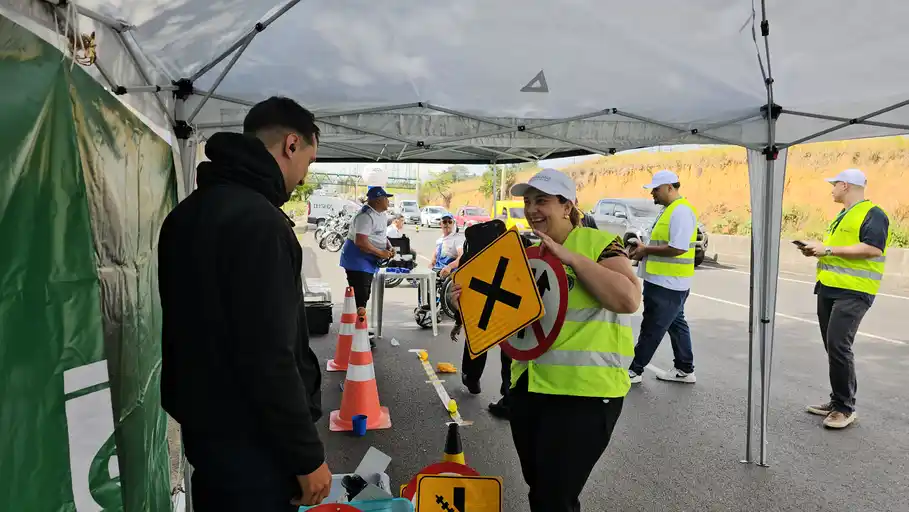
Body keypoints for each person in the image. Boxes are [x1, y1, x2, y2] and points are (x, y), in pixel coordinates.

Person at [158, 97, 331, 510]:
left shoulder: (185, 215)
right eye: (308, 162)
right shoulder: (261, 222)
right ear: (291, 144)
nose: (303, 177)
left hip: (208, 435)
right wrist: (306, 456)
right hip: (256, 446)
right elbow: (269, 353)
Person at [452, 168, 640, 512]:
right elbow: (499, 315)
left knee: (554, 497)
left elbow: (627, 300)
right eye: (527, 202)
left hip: (584, 394)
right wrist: (461, 301)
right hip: (529, 387)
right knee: (540, 488)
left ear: (567, 206)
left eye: (542, 201)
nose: (532, 209)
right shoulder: (528, 254)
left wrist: (571, 259)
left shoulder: (600, 244)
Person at [798, 168, 890, 429]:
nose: (832, 189)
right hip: (829, 288)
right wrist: (817, 251)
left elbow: (873, 248)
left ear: (845, 185)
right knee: (833, 346)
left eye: (834, 184)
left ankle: (845, 408)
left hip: (854, 290)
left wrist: (827, 249)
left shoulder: (873, 213)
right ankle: (839, 399)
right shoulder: (843, 215)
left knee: (839, 345)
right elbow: (838, 251)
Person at [627, 169, 698, 384]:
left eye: (656, 189)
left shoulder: (680, 211)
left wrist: (645, 250)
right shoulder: (670, 210)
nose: (652, 193)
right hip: (667, 282)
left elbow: (678, 248)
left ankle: (634, 371)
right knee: (676, 324)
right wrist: (642, 250)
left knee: (651, 327)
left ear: (669, 187)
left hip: (667, 284)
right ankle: (684, 369)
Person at [339, 187, 395, 327]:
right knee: (361, 296)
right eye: (386, 198)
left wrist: (389, 246)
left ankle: (359, 328)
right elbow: (361, 242)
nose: (388, 201)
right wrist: (381, 253)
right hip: (357, 260)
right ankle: (358, 331)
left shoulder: (381, 214)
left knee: (364, 293)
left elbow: (380, 235)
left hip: (369, 259)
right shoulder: (365, 216)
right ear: (378, 200)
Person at [430, 214, 464, 278]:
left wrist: (450, 267)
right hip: (437, 272)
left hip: (449, 275)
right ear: (440, 224)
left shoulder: (457, 239)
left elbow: (461, 257)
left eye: (450, 222)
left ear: (453, 224)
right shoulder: (439, 241)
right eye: (444, 222)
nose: (447, 224)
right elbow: (433, 261)